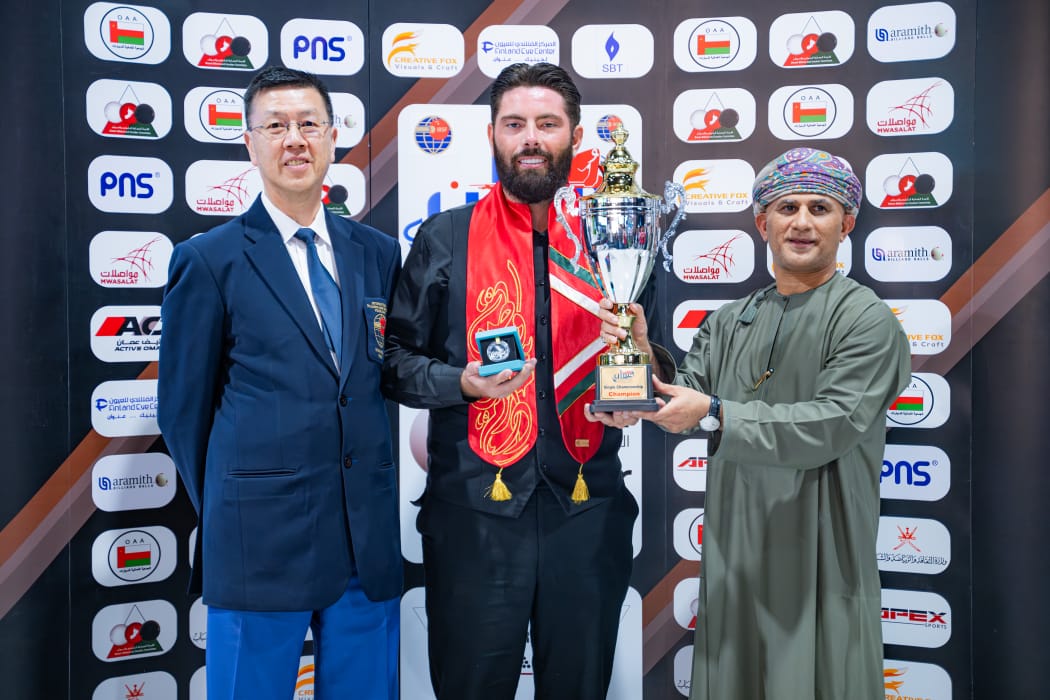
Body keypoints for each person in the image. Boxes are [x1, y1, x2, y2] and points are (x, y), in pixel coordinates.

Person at [589, 147, 912, 699]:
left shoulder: (867, 320)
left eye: (820, 208)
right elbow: (683, 394)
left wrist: (716, 413)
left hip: (823, 555)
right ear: (763, 224)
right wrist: (638, 357)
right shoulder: (729, 320)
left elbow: (830, 423)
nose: (802, 222)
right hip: (735, 551)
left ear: (847, 224)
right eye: (787, 208)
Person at [382, 62, 645, 700]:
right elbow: (393, 363)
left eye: (547, 124)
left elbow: (651, 355)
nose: (531, 138)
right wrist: (461, 384)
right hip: (473, 514)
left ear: (575, 136)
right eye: (515, 124)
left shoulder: (613, 237)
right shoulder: (446, 236)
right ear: (493, 135)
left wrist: (642, 380)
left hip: (587, 510)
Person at [158, 66, 401, 700]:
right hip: (259, 544)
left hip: (365, 542)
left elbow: (379, 373)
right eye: (276, 126)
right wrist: (239, 502)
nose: (295, 139)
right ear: (250, 143)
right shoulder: (209, 259)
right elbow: (183, 413)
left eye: (308, 124)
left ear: (333, 136)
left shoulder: (377, 252)